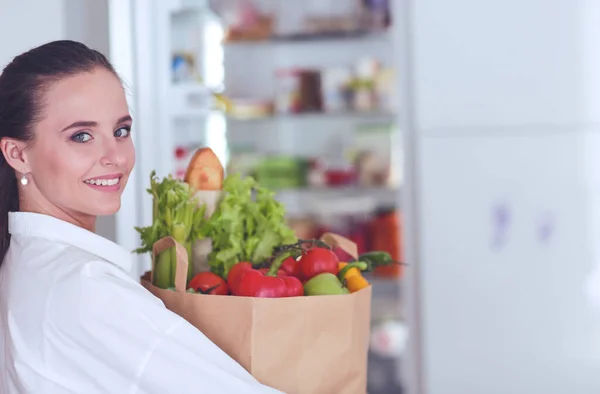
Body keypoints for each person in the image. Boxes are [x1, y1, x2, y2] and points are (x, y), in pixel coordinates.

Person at [0, 41, 281, 394]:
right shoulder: (88, 288)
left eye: (121, 130)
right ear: (17, 153)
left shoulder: (25, 261)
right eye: (82, 136)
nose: (115, 156)